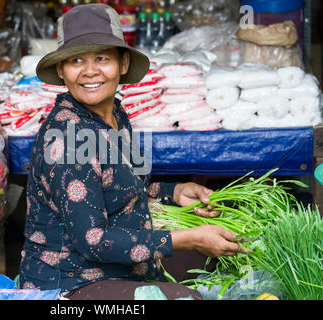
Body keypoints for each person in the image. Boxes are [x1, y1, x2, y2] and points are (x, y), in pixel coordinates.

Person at [18, 3, 246, 300]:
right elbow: (93, 241)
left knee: (217, 264)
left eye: (102, 58)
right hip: (69, 284)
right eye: (76, 61)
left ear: (123, 64)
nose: (90, 71)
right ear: (62, 70)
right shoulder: (69, 142)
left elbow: (128, 186)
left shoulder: (114, 115)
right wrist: (189, 239)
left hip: (123, 268)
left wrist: (174, 192)